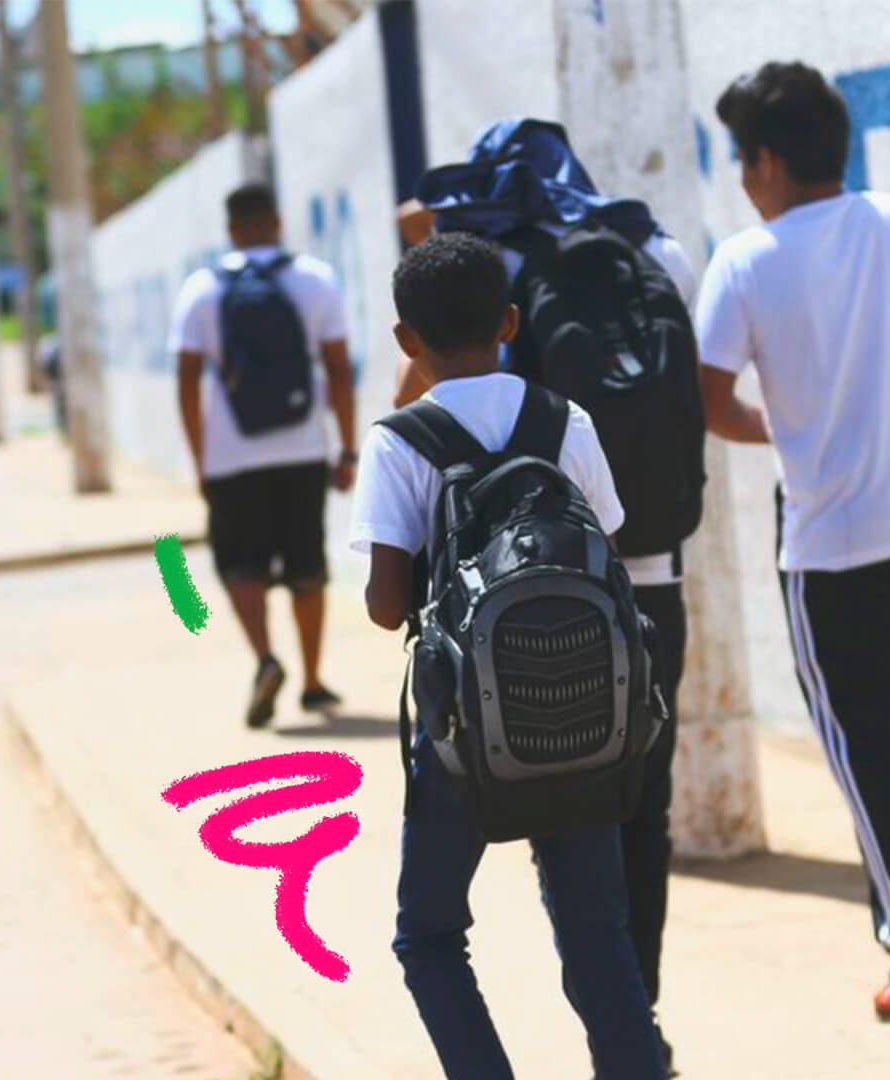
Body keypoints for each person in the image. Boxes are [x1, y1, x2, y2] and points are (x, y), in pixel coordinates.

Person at [693, 61, 890, 1027]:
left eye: (745, 157)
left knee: (874, 756)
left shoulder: (747, 261)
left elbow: (708, 400)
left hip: (835, 548)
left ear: (771, 162)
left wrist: (793, 428)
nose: (744, 176)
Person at [396, 118, 699, 1066]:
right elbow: (606, 536)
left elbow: (384, 589)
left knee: (432, 928)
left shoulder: (408, 424)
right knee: (616, 854)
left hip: (473, 688)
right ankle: (637, 1034)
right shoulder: (647, 249)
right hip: (632, 618)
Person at [350, 232, 665, 1080]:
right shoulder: (565, 420)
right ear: (512, 322)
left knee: (428, 934)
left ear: (405, 341)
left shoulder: (398, 441)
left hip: (463, 731)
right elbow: (610, 539)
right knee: (599, 935)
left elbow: (386, 610)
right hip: (581, 714)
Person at [173, 181, 358, 728]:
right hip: (302, 447)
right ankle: (313, 680)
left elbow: (185, 379)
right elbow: (339, 370)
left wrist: (201, 457)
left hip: (232, 456)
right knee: (307, 566)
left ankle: (264, 658)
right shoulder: (315, 280)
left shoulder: (201, 289)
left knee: (240, 565)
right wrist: (345, 447)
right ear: (277, 222)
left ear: (231, 229)